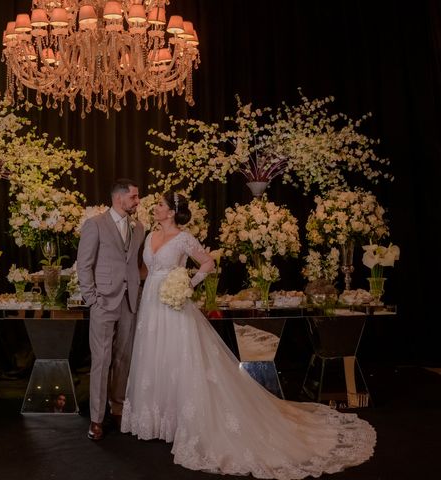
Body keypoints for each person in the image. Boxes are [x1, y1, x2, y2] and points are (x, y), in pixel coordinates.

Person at [121, 191, 376, 479]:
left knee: (178, 358)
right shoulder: (149, 236)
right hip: (151, 304)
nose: (155, 208)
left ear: (171, 211)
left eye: (160, 205)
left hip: (174, 304)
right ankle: (158, 421)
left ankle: (184, 422)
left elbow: (208, 263)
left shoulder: (184, 238)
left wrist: (187, 282)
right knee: (154, 356)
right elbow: (146, 269)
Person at [77, 178, 144, 441]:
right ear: (119, 198)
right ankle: (96, 417)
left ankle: (118, 409)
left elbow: (135, 264)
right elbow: (84, 264)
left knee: (123, 358)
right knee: (101, 360)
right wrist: (92, 298)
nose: (138, 202)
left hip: (129, 302)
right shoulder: (95, 225)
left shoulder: (139, 228)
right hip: (103, 301)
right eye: (135, 197)